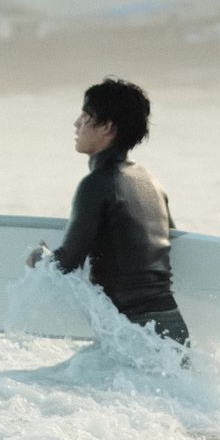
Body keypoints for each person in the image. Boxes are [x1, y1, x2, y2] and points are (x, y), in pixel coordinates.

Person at [31, 76, 188, 347]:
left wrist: (37, 259)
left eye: (86, 114)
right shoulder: (149, 181)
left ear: (107, 127)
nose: (77, 123)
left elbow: (67, 263)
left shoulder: (98, 184)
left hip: (136, 331)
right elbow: (166, 245)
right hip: (172, 325)